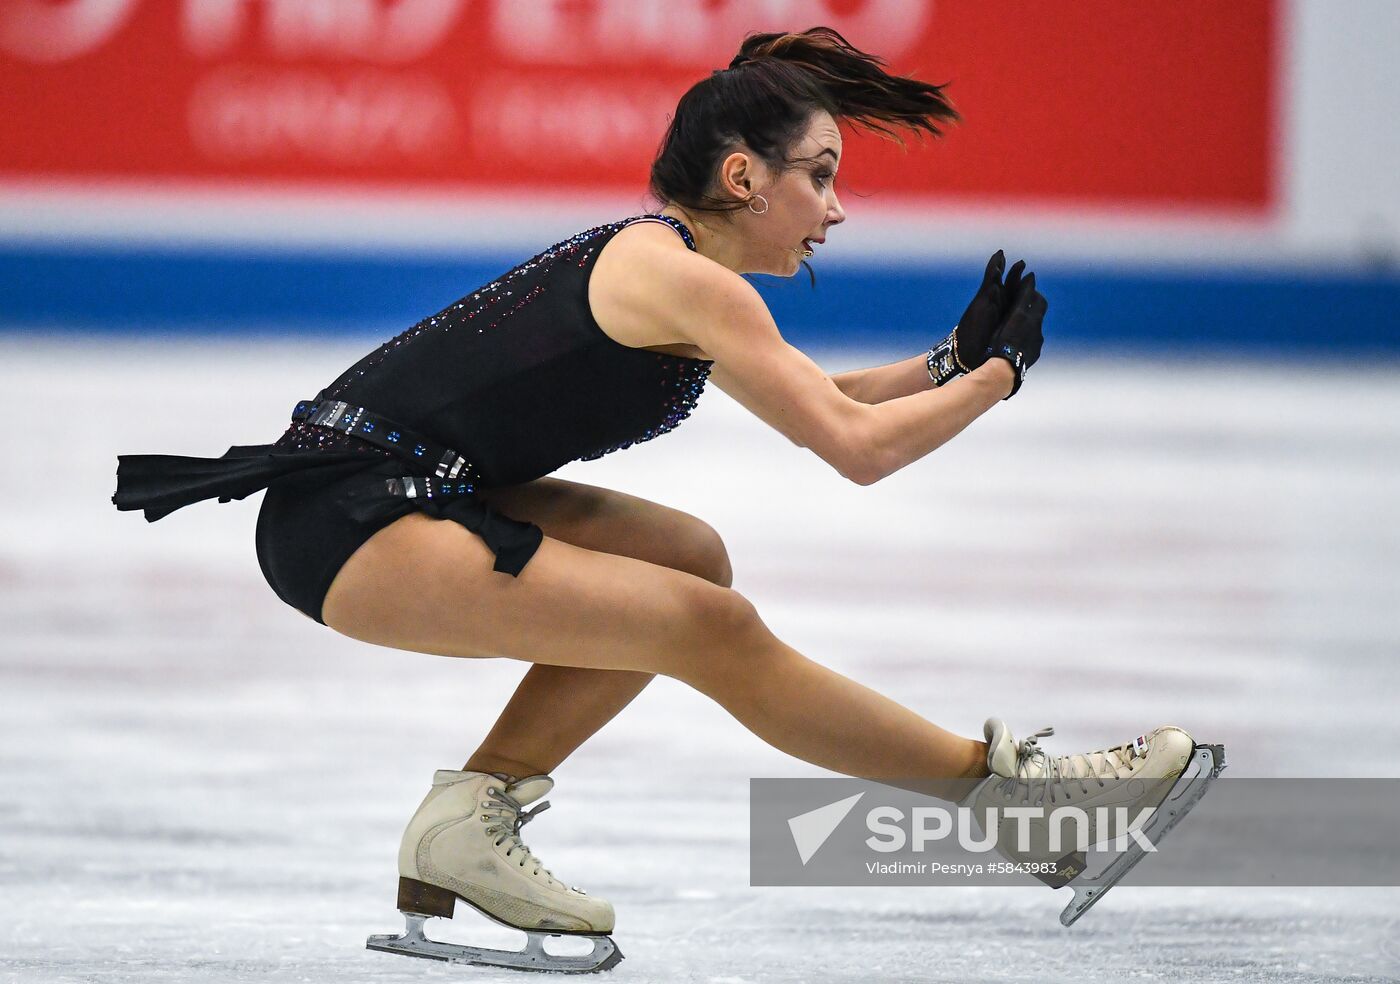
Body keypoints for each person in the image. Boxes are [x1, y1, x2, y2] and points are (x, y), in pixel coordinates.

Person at [113, 26, 1221, 974]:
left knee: (687, 558)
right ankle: (1018, 805)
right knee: (709, 626)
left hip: (389, 499)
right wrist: (996, 378)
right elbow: (856, 452)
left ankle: (470, 818)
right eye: (819, 177)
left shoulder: (678, 272)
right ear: (744, 178)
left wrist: (943, 366)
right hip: (351, 518)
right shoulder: (685, 277)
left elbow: (818, 401)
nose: (833, 212)